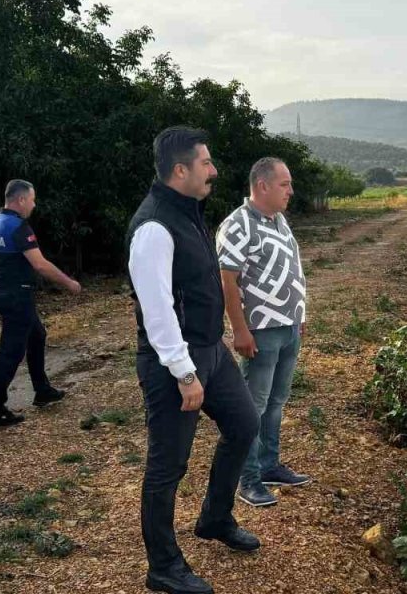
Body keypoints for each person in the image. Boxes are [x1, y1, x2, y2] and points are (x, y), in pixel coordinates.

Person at [127, 127, 260, 594]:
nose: (214, 171)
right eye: (206, 163)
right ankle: (163, 567)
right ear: (180, 170)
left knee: (245, 425)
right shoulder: (154, 227)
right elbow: (158, 309)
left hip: (211, 351)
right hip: (173, 362)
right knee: (167, 466)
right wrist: (184, 372)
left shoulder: (189, 214)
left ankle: (215, 518)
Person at [215, 157, 311, 507]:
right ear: (263, 185)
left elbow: (292, 269)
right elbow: (228, 279)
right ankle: (248, 479)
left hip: (288, 328)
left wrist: (299, 312)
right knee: (252, 407)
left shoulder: (279, 221)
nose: (291, 190)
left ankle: (269, 465)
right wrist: (239, 330)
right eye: (285, 184)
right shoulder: (238, 225)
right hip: (261, 331)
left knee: (276, 402)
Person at [0, 180, 81, 428]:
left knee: (37, 334)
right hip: (18, 296)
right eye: (32, 200)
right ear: (21, 200)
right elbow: (40, 264)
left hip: (1, 293)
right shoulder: (18, 227)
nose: (34, 205)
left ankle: (42, 390)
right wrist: (69, 283)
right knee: (10, 352)